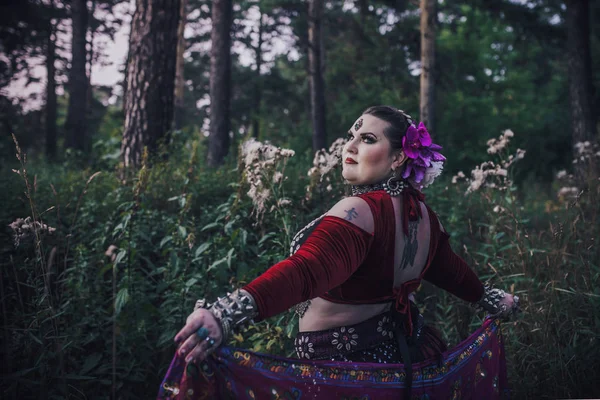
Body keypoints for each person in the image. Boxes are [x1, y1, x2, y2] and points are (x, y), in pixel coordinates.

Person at [171, 106, 519, 397]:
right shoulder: (424, 215)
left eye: (368, 139)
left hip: (349, 374)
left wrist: (224, 314)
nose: (349, 146)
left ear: (399, 157)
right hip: (405, 358)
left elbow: (306, 272)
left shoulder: (359, 211)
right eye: (352, 135)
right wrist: (491, 299)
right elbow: (454, 274)